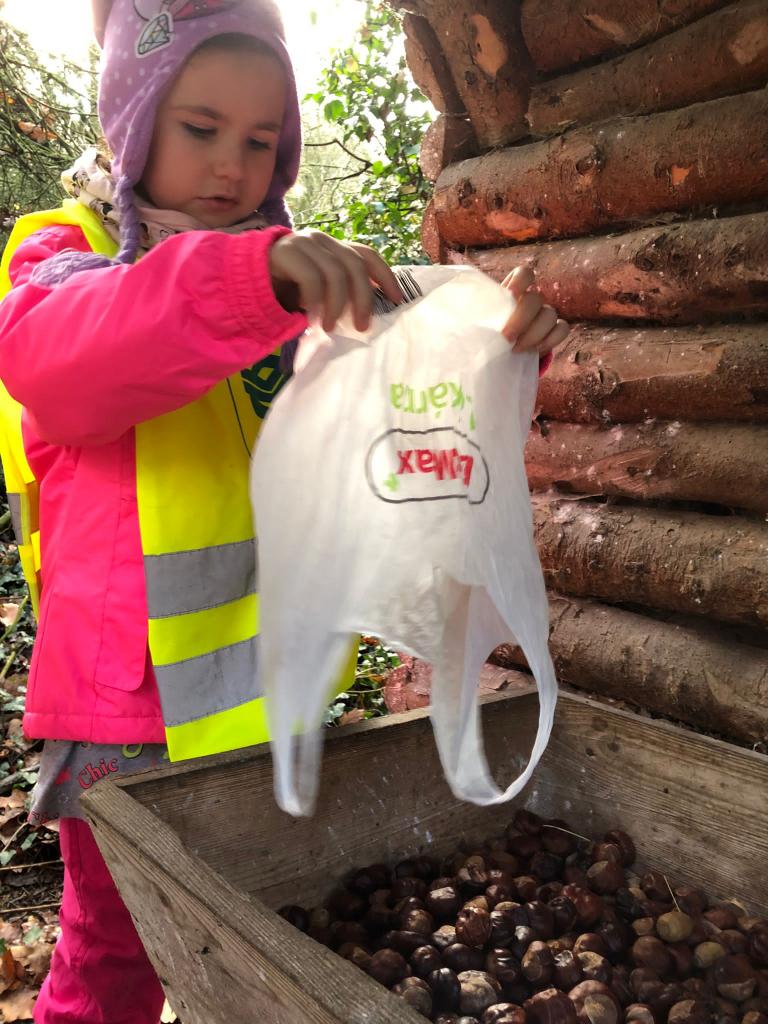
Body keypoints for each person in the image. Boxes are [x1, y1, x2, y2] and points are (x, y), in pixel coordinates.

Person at [0, 1, 570, 1020]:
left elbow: (411, 363)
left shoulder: (298, 277)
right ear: (130, 121)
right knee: (116, 955)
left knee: (248, 943)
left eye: (261, 141)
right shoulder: (65, 255)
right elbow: (64, 360)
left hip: (270, 699)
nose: (232, 166)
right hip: (129, 710)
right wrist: (252, 277)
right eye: (200, 128)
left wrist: (498, 333)